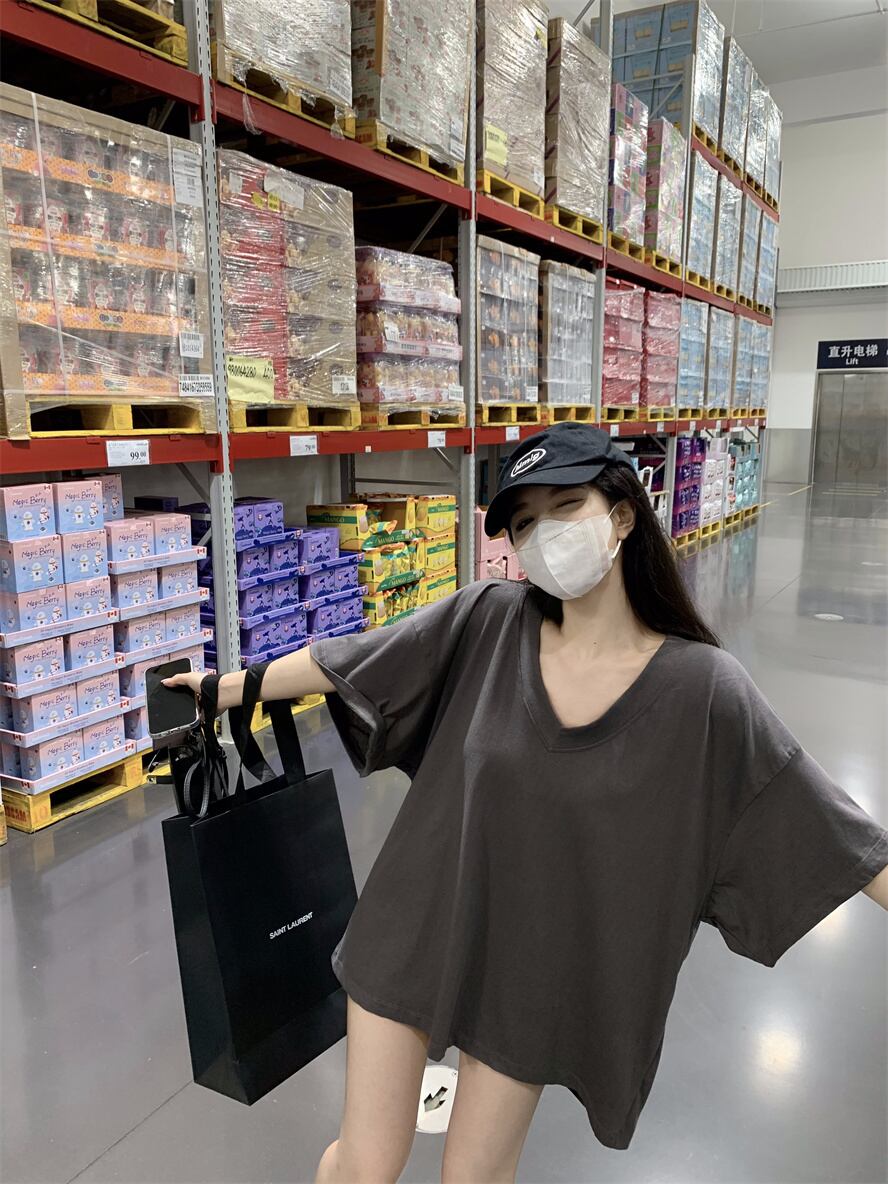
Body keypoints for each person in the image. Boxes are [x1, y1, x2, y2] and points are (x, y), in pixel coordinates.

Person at [166, 423, 888, 1184]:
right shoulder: (489, 619)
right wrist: (222, 688)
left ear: (622, 514)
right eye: (524, 522)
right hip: (414, 926)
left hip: (529, 973)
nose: (545, 536)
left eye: (566, 506)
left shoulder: (702, 690)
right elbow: (352, 659)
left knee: (473, 1177)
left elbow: (823, 821)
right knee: (364, 1167)